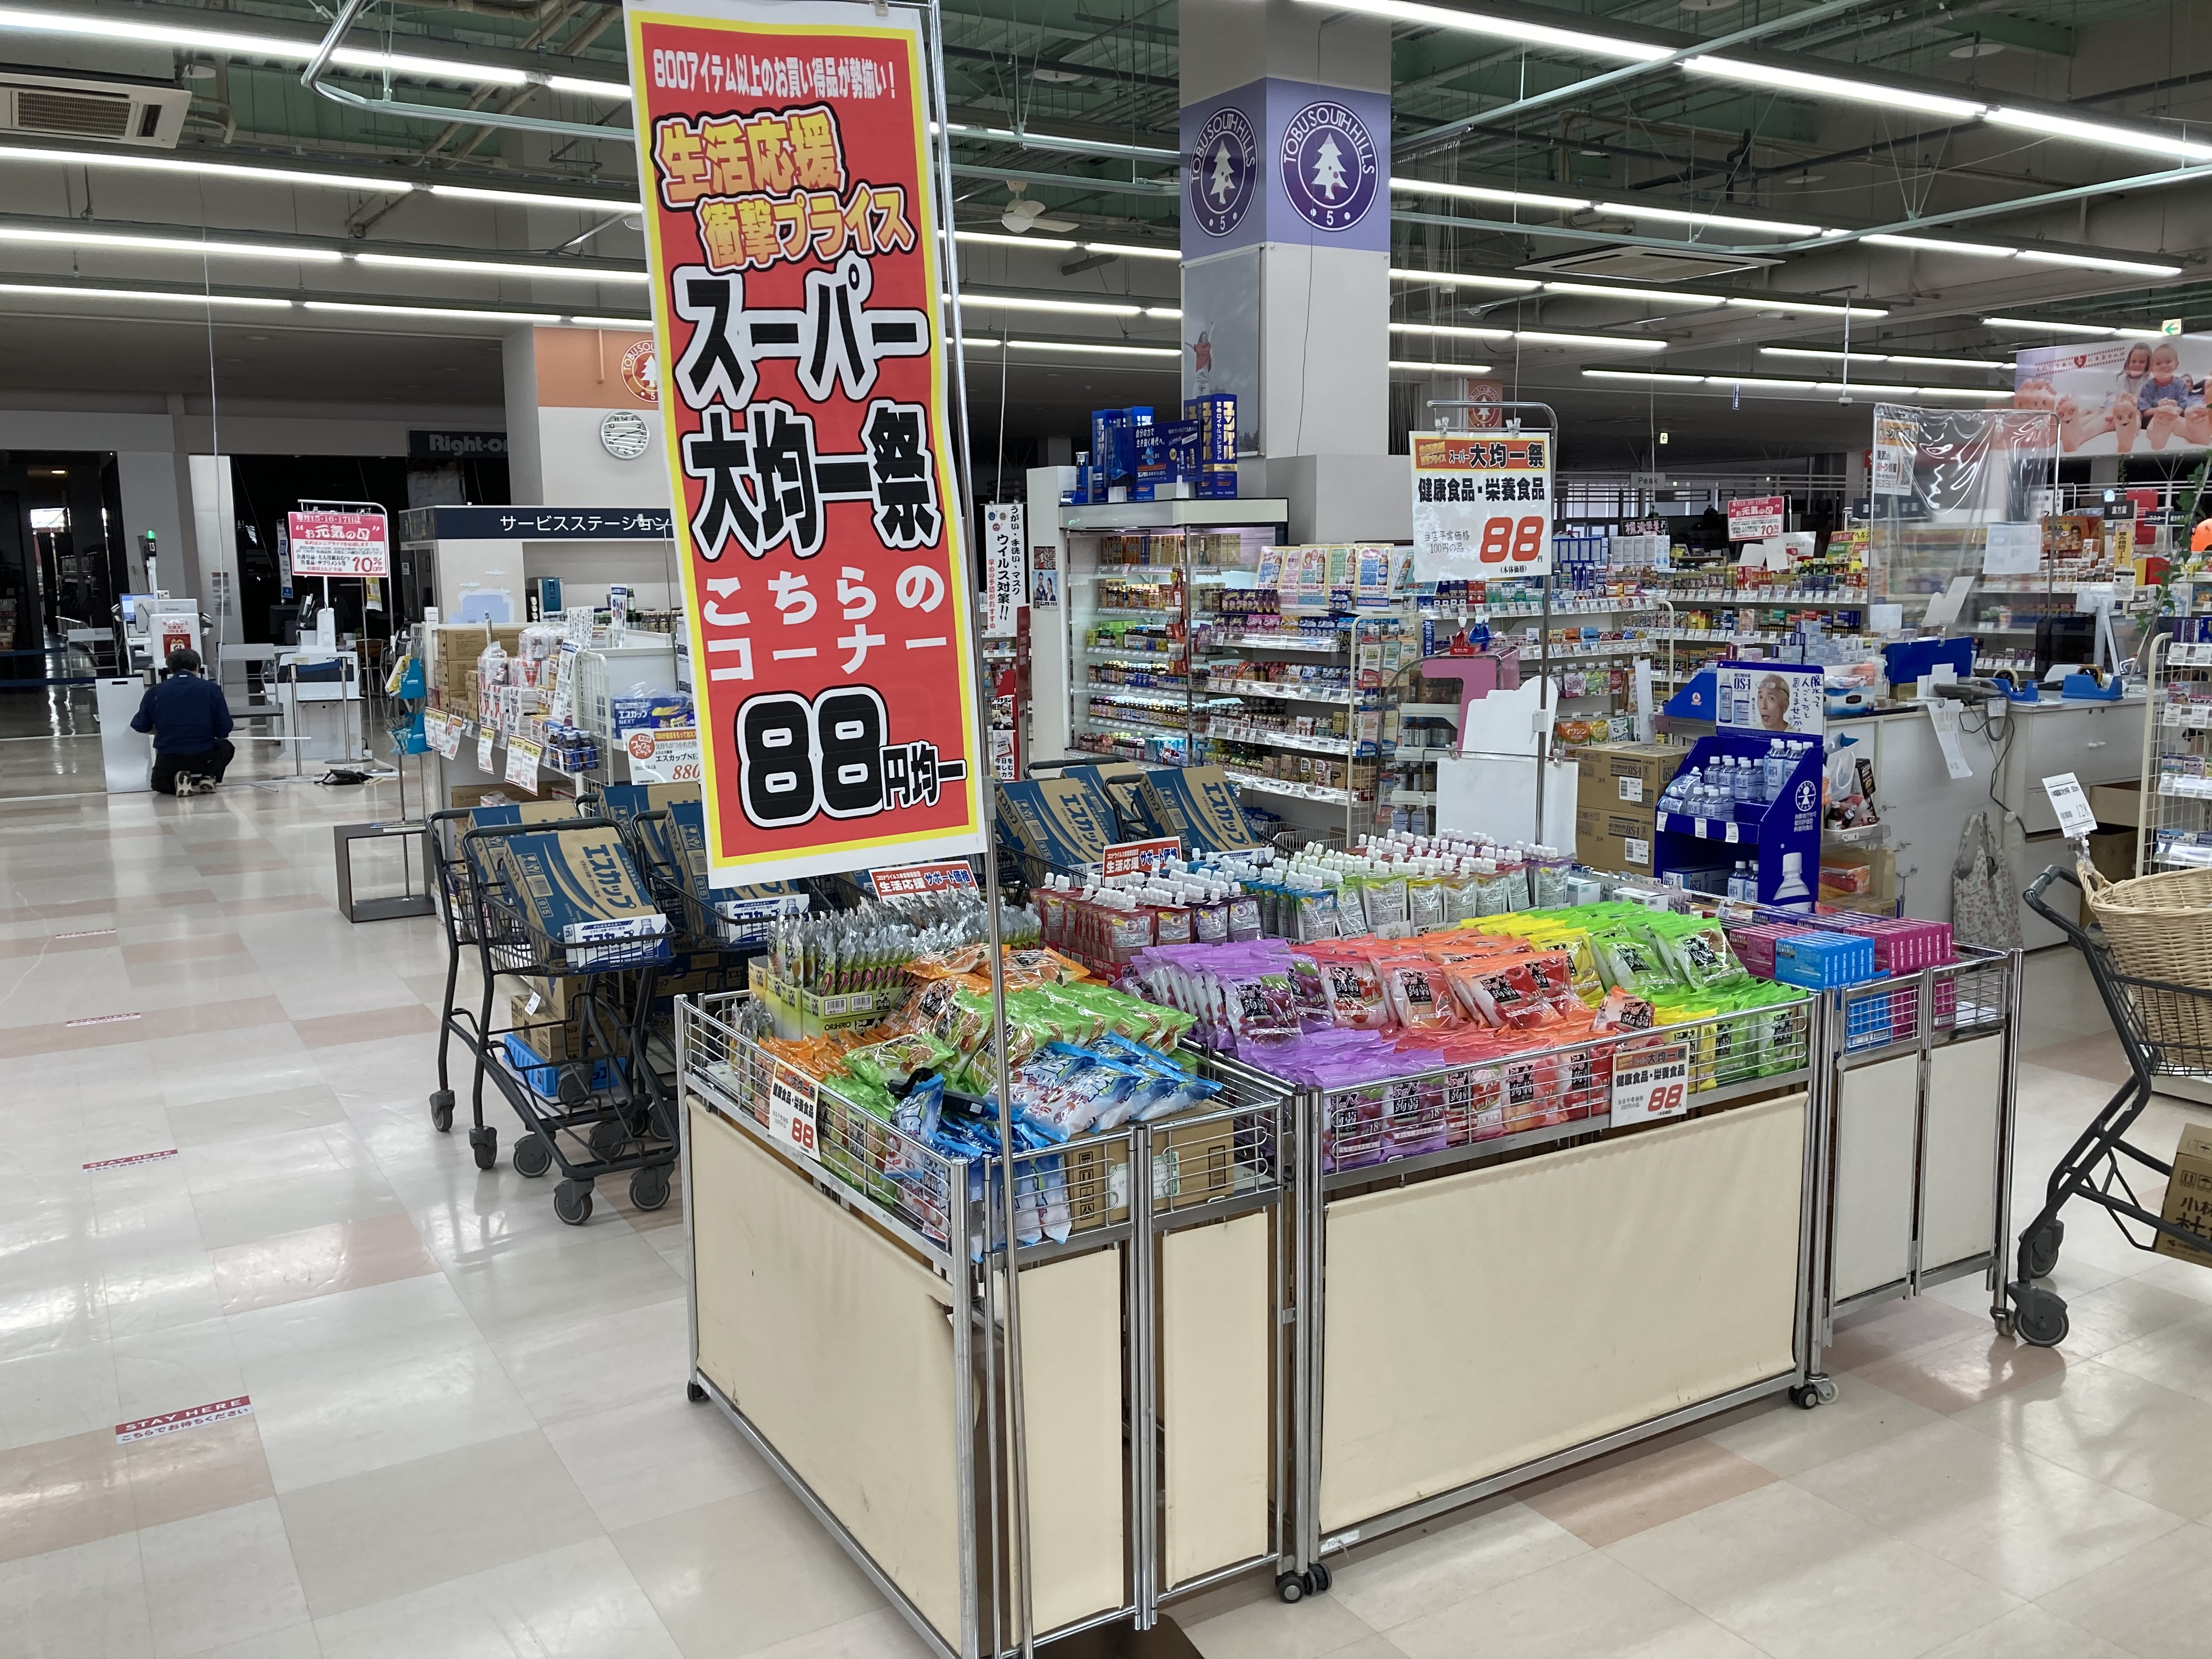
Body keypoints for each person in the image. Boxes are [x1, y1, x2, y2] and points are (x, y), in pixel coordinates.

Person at [131, 648, 234, 795]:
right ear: (198, 666)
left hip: (170, 756)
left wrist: (159, 730)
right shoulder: (212, 689)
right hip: (204, 754)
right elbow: (224, 728)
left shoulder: (155, 691)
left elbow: (140, 725)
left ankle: (181, 780)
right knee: (226, 747)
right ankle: (208, 776)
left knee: (159, 784)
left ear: (170, 669)